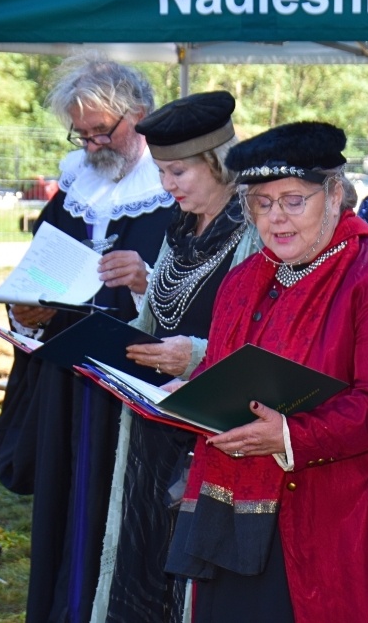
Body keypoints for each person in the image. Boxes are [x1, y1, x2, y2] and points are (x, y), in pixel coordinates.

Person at [164, 121, 368, 623]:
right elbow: (233, 373)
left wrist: (289, 436)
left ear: (333, 195)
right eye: (261, 203)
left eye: (293, 200)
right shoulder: (243, 280)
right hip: (243, 509)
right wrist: (197, 396)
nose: (276, 218)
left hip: (358, 513)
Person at [0, 57, 176, 623]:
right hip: (68, 381)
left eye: (102, 130)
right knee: (67, 510)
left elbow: (201, 293)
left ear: (139, 115)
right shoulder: (75, 186)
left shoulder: (173, 190)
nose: (93, 143)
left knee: (124, 511)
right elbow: (39, 269)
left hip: (137, 381)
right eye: (82, 133)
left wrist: (146, 281)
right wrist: (26, 312)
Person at [90, 91, 259, 621]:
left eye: (179, 172)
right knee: (145, 554)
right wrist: (107, 337)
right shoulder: (180, 228)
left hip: (213, 425)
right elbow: (159, 314)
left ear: (218, 162)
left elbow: (261, 335)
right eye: (162, 172)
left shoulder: (255, 227)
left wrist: (195, 356)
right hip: (155, 421)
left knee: (192, 569)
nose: (168, 185)